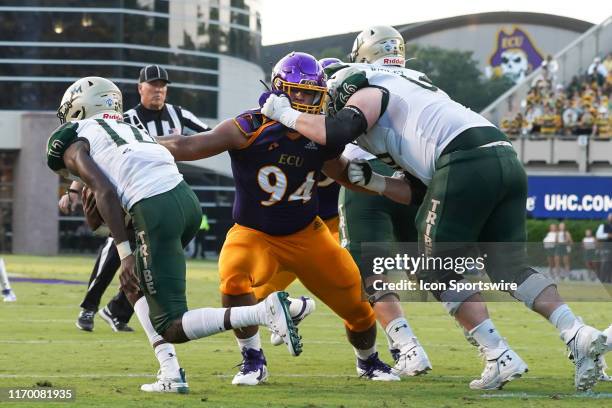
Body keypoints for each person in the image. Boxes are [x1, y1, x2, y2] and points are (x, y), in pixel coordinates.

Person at [260, 51, 609, 390]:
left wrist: (286, 114)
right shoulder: (411, 100)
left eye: (320, 98)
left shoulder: (362, 85)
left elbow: (337, 130)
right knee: (509, 267)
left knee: (435, 268)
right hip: (501, 155)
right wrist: (376, 182)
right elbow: (418, 191)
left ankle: (498, 354)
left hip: (463, 158)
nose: (316, 106)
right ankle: (576, 332)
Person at [157, 52, 418, 385]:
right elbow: (188, 145)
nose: (306, 101)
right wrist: (136, 144)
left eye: (312, 94)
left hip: (309, 236)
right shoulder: (249, 126)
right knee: (233, 279)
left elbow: (345, 175)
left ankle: (368, 361)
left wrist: (386, 184)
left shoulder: (318, 133)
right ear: (280, 89)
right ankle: (253, 359)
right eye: (298, 92)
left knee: (358, 308)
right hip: (254, 234)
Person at [46, 76, 302, 393]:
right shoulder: (132, 128)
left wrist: (125, 255)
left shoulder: (74, 137)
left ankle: (264, 311)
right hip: (185, 202)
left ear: (80, 107)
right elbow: (101, 205)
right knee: (134, 287)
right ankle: (169, 371)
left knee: (171, 325)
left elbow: (104, 191)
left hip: (154, 209)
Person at [59, 183, 135, 333]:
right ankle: (88, 308)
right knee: (110, 259)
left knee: (149, 269)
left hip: (144, 208)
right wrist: (73, 191)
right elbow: (87, 164)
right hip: (119, 209)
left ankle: (116, 312)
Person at [123, 64, 211, 136]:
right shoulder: (127, 120)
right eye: (153, 84)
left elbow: (212, 134)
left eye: (162, 85)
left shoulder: (179, 113)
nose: (158, 89)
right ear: (140, 88)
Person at [596, 213, 612, 283]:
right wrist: (607, 235)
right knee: (605, 263)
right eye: (610, 217)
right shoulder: (603, 226)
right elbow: (598, 235)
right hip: (606, 247)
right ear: (608, 219)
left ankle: (609, 279)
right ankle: (602, 279)